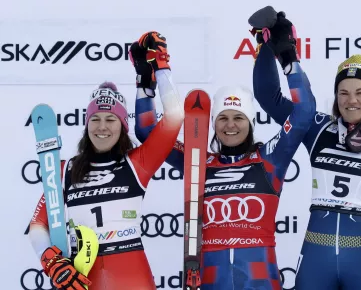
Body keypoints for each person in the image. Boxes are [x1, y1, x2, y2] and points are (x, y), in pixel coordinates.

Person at [250, 7, 361, 290]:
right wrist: (266, 44)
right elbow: (267, 96)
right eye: (343, 93)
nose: (351, 100)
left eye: (360, 92)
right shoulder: (318, 128)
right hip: (315, 259)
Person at [134, 30, 316, 289]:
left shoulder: (270, 158)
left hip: (261, 282)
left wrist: (288, 57)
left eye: (238, 117)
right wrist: (150, 79)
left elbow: (305, 112)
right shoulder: (197, 162)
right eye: (223, 118)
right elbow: (148, 131)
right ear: (213, 123)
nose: (230, 126)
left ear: (250, 123)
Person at [27, 31, 184, 290]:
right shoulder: (66, 170)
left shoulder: (138, 163)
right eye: (95, 119)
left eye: (110, 120)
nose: (102, 127)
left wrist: (160, 68)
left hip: (132, 277)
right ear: (87, 125)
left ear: (122, 126)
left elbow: (175, 115)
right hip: (82, 278)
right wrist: (52, 262)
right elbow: (37, 225)